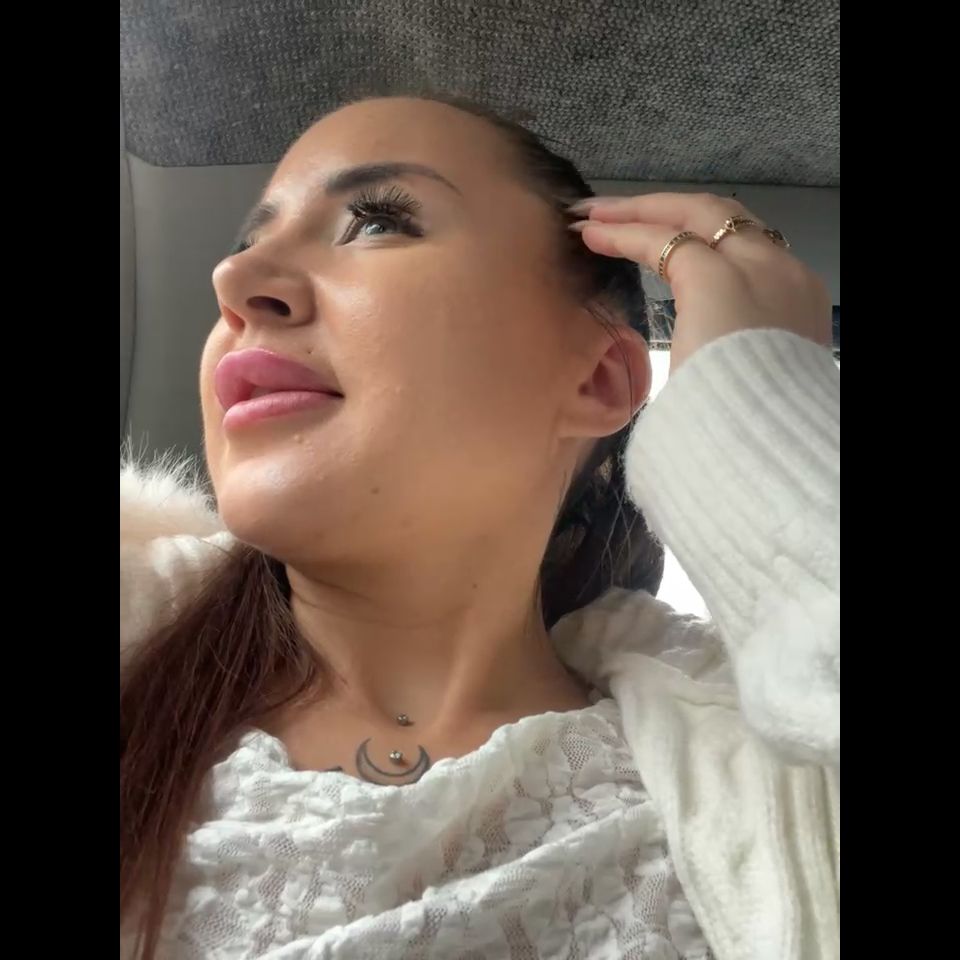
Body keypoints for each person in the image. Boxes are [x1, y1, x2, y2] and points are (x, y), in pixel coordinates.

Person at [120, 95, 839, 960]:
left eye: (377, 223)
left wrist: (759, 416)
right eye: (246, 244)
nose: (234, 281)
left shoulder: (766, 785)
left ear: (598, 379)